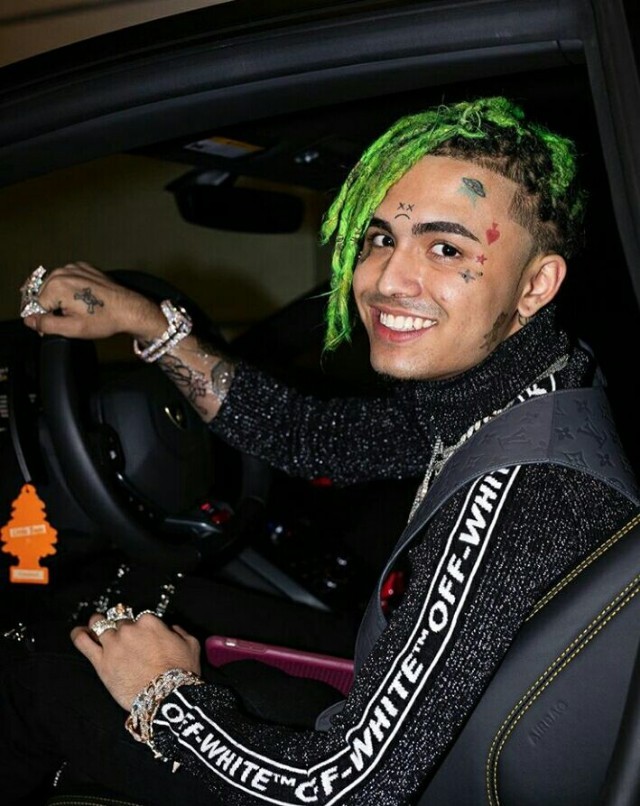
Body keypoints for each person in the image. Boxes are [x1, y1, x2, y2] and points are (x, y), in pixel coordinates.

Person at [2, 96, 637, 805]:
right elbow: (316, 439)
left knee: (33, 669)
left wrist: (165, 696)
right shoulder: (528, 384)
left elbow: (343, 791)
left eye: (446, 249)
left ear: (537, 284)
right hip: (414, 737)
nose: (385, 280)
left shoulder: (518, 496)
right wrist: (150, 324)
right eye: (380, 239)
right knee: (131, 592)